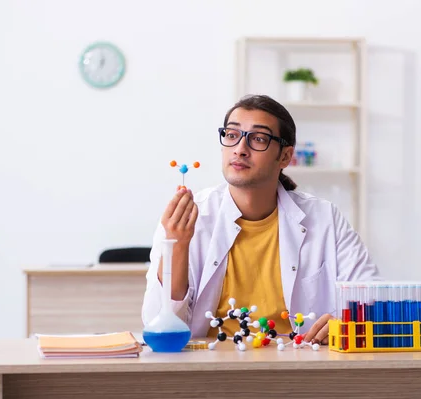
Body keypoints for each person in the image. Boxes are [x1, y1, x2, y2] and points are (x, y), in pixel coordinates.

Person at [141, 94, 379, 345]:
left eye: (258, 139)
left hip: (298, 365)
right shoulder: (188, 218)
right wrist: (176, 246)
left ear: (285, 157)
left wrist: (346, 321)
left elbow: (373, 296)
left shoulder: (324, 218)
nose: (240, 149)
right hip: (211, 368)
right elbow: (156, 323)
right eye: (232, 135)